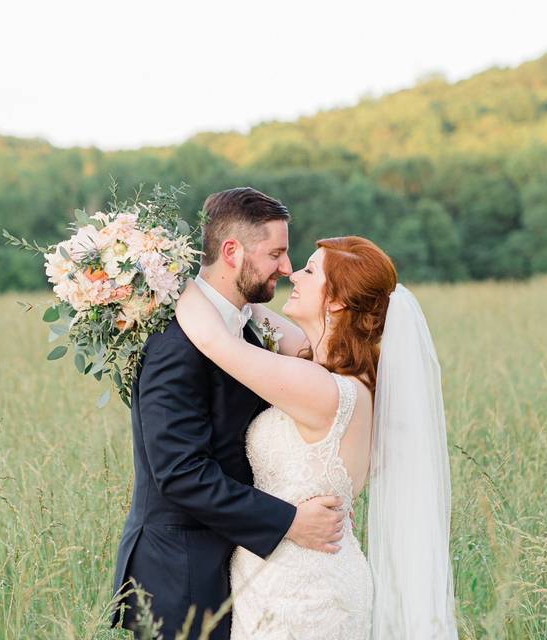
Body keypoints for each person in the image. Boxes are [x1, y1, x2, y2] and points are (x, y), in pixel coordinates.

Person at [175, 235, 458, 639]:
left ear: (338, 301)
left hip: (302, 595)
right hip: (297, 578)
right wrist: (235, 278)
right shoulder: (339, 373)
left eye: (310, 270)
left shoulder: (322, 389)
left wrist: (160, 271)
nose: (294, 274)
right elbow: (253, 314)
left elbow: (213, 340)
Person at [110, 188, 345, 640]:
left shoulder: (243, 331)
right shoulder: (177, 344)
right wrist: (290, 521)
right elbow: (179, 472)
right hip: (179, 571)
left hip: (232, 560)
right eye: (275, 253)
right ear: (232, 252)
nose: (285, 267)